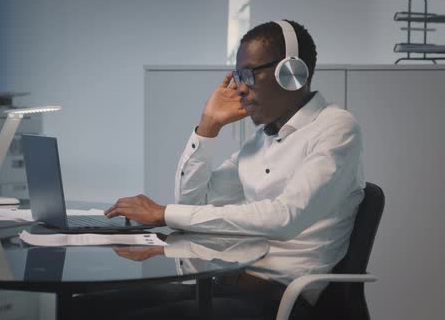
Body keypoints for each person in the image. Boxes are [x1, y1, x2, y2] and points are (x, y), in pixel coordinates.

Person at [79, 19, 365, 319]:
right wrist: (208, 127)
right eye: (237, 75)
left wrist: (164, 213)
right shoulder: (262, 139)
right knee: (89, 306)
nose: (239, 88)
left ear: (291, 73)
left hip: (282, 301)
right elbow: (192, 205)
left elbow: (286, 217)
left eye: (248, 74)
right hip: (230, 283)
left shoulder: (336, 127)